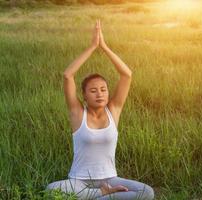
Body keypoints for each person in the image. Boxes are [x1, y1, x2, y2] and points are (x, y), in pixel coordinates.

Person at [45, 20, 155, 200]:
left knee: (147, 192)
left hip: (110, 179)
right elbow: (68, 75)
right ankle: (101, 195)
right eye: (93, 91)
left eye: (103, 90)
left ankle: (98, 196)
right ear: (85, 96)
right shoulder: (78, 114)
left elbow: (127, 74)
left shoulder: (114, 110)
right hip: (79, 181)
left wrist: (103, 46)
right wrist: (91, 47)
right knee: (51, 190)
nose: (100, 94)